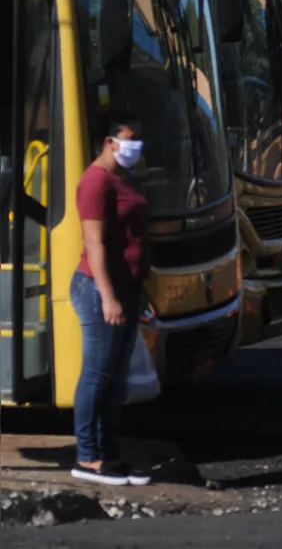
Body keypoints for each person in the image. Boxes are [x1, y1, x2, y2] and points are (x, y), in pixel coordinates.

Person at [71, 110, 151, 486]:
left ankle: (109, 455)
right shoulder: (95, 182)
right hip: (99, 288)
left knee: (116, 379)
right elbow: (94, 242)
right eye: (129, 138)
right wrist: (108, 296)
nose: (136, 146)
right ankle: (87, 458)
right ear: (109, 141)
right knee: (97, 375)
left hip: (129, 287)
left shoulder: (123, 177)